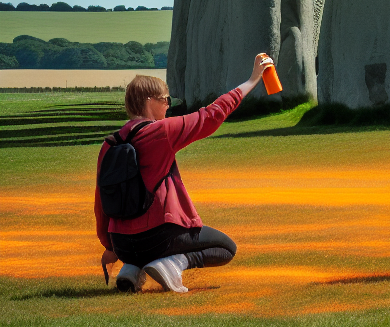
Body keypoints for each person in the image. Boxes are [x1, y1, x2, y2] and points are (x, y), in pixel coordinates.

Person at [95, 56, 273, 293]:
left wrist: (109, 245)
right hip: (158, 238)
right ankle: (172, 264)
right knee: (226, 248)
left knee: (140, 245)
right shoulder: (161, 131)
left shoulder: (109, 144)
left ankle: (131, 269)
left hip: (122, 243)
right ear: (150, 101)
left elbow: (100, 202)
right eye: (165, 100)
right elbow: (212, 114)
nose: (168, 105)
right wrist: (252, 81)